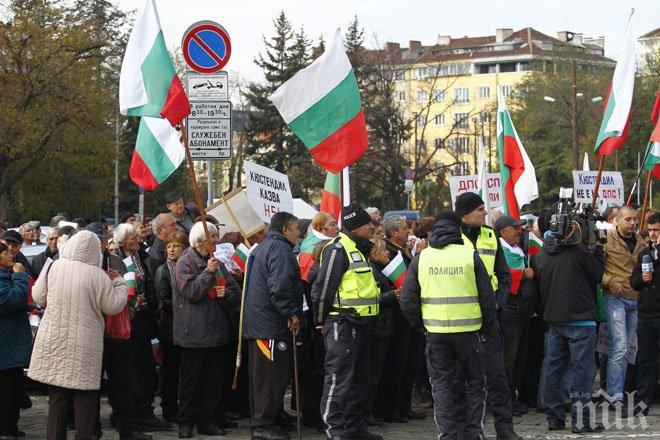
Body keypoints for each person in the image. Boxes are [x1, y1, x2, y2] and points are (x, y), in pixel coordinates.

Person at [399, 211, 498, 440]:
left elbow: (407, 301)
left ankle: (448, 434)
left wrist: (423, 327)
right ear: (458, 230)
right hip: (469, 333)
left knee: (441, 386)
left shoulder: (422, 257)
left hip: (436, 334)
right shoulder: (469, 255)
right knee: (475, 383)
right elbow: (487, 297)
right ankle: (473, 433)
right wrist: (485, 328)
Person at [27, 230, 127, 440]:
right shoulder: (97, 274)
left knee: (57, 398)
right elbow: (113, 306)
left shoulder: (54, 266)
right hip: (85, 345)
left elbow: (38, 296)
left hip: (55, 340)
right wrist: (119, 284)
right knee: (85, 402)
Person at [312, 203, 382, 440]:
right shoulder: (337, 249)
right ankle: (335, 429)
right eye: (368, 224)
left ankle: (354, 428)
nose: (372, 228)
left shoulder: (358, 249)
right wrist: (320, 322)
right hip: (342, 325)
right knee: (339, 380)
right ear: (356, 227)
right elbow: (323, 288)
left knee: (360, 381)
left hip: (362, 326)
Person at [452, 192, 519, 440]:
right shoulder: (453, 238)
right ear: (466, 214)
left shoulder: (490, 235)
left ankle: (504, 427)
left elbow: (504, 275)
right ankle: (466, 429)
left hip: (489, 316)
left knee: (498, 376)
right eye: (480, 209)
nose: (484, 213)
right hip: (464, 317)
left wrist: (498, 304)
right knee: (465, 378)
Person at [533, 212, 606, 433]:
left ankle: (554, 418)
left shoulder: (542, 253)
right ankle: (581, 420)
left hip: (555, 319)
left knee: (555, 368)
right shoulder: (579, 253)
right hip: (581, 320)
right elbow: (597, 275)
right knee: (583, 371)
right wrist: (599, 250)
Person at [172, 221, 240, 438]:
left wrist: (225, 293)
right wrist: (207, 273)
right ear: (201, 242)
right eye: (213, 238)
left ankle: (208, 420)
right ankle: (186, 421)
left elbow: (235, 291)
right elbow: (191, 292)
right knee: (191, 382)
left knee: (214, 381)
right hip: (194, 334)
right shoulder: (184, 263)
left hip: (216, 333)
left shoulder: (217, 263)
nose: (217, 242)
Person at [243, 212, 302, 440]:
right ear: (285, 230)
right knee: (269, 377)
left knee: (266, 376)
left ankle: (272, 417)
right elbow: (279, 286)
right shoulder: (279, 249)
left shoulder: (264, 246)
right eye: (296, 228)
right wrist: (290, 312)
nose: (298, 233)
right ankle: (262, 425)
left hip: (262, 323)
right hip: (269, 325)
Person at [110, 224, 169, 432]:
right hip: (125, 321)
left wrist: (150, 301)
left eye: (137, 235)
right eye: (131, 237)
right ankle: (127, 414)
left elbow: (148, 282)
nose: (136, 239)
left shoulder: (141, 256)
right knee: (129, 369)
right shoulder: (114, 259)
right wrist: (133, 300)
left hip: (143, 319)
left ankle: (144, 412)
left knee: (145, 368)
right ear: (122, 240)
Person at [382, 215, 425, 422]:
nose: (409, 231)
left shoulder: (404, 250)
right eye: (404, 228)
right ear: (393, 233)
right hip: (398, 316)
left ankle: (405, 405)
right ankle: (393, 407)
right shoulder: (387, 252)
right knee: (398, 363)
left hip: (411, 314)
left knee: (410, 362)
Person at [602, 205, 645, 408]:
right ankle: (615, 396)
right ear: (616, 220)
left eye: (635, 219)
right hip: (615, 298)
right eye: (628, 219)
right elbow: (594, 267)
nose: (633, 223)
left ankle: (621, 391)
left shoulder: (641, 241)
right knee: (619, 346)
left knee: (628, 348)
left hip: (635, 299)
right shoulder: (606, 239)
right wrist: (609, 281)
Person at [495, 215, 538, 416]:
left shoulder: (517, 249)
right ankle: (505, 401)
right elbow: (499, 275)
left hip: (522, 311)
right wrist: (522, 275)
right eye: (515, 228)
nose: (520, 231)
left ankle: (512, 396)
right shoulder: (500, 250)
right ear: (503, 231)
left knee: (520, 358)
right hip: (510, 310)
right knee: (508, 359)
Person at [154, 231, 187, 423]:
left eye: (176, 246)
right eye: (169, 246)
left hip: (186, 327)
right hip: (170, 327)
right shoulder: (163, 271)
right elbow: (164, 298)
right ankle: (169, 408)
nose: (171, 250)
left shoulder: (187, 267)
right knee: (170, 370)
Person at [629, 212, 660, 415]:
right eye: (650, 230)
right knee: (645, 359)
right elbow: (634, 281)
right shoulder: (645, 253)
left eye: (657, 230)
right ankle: (643, 402)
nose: (653, 234)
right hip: (647, 313)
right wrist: (643, 278)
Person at [0, 242, 31, 440]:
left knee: (15, 387)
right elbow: (10, 301)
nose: (10, 253)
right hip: (5, 344)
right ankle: (3, 428)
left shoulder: (8, 274)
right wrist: (20, 277)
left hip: (13, 342)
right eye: (4, 251)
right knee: (4, 391)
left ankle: (11, 426)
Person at [367, 239, 399, 425]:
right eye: (384, 251)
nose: (388, 254)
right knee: (373, 374)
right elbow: (374, 299)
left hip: (383, 328)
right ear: (375, 253)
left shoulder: (380, 271)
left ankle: (377, 411)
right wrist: (392, 295)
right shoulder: (373, 272)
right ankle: (371, 412)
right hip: (377, 328)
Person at [146, 213, 178, 279]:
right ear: (160, 231)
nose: (177, 228)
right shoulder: (156, 255)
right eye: (172, 225)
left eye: (176, 224)